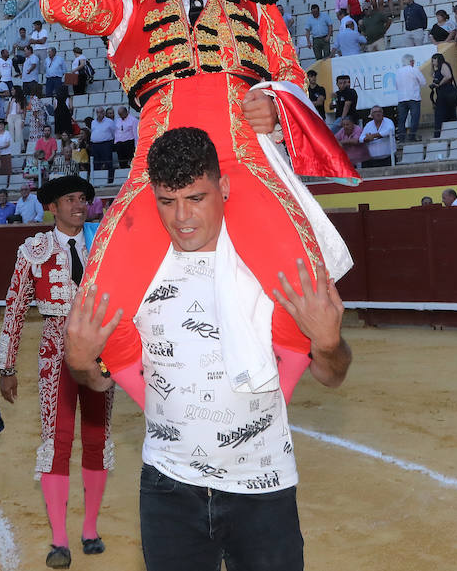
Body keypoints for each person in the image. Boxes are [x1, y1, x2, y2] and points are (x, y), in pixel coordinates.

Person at [34, 0, 356, 388]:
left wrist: (276, 106)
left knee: (312, 297)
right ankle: (156, 390)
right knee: (93, 314)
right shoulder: (126, 0)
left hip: (245, 155)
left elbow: (292, 75)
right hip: (157, 160)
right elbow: (61, 1)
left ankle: (272, 389)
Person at [63, 127, 351, 571]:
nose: (181, 217)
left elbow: (333, 375)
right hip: (168, 486)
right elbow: (101, 381)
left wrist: (329, 342)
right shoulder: (135, 274)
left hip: (264, 484)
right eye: (167, 201)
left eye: (195, 198)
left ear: (225, 187)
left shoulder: (271, 267)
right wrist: (81, 363)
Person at [0, 176, 114, 568]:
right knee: (58, 440)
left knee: (97, 436)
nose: (79, 205)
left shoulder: (103, 245)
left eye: (83, 199)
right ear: (53, 207)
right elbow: (15, 307)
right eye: (70, 199)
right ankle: (60, 539)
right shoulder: (33, 250)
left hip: (99, 350)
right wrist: (7, 365)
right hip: (55, 350)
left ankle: (91, 529)